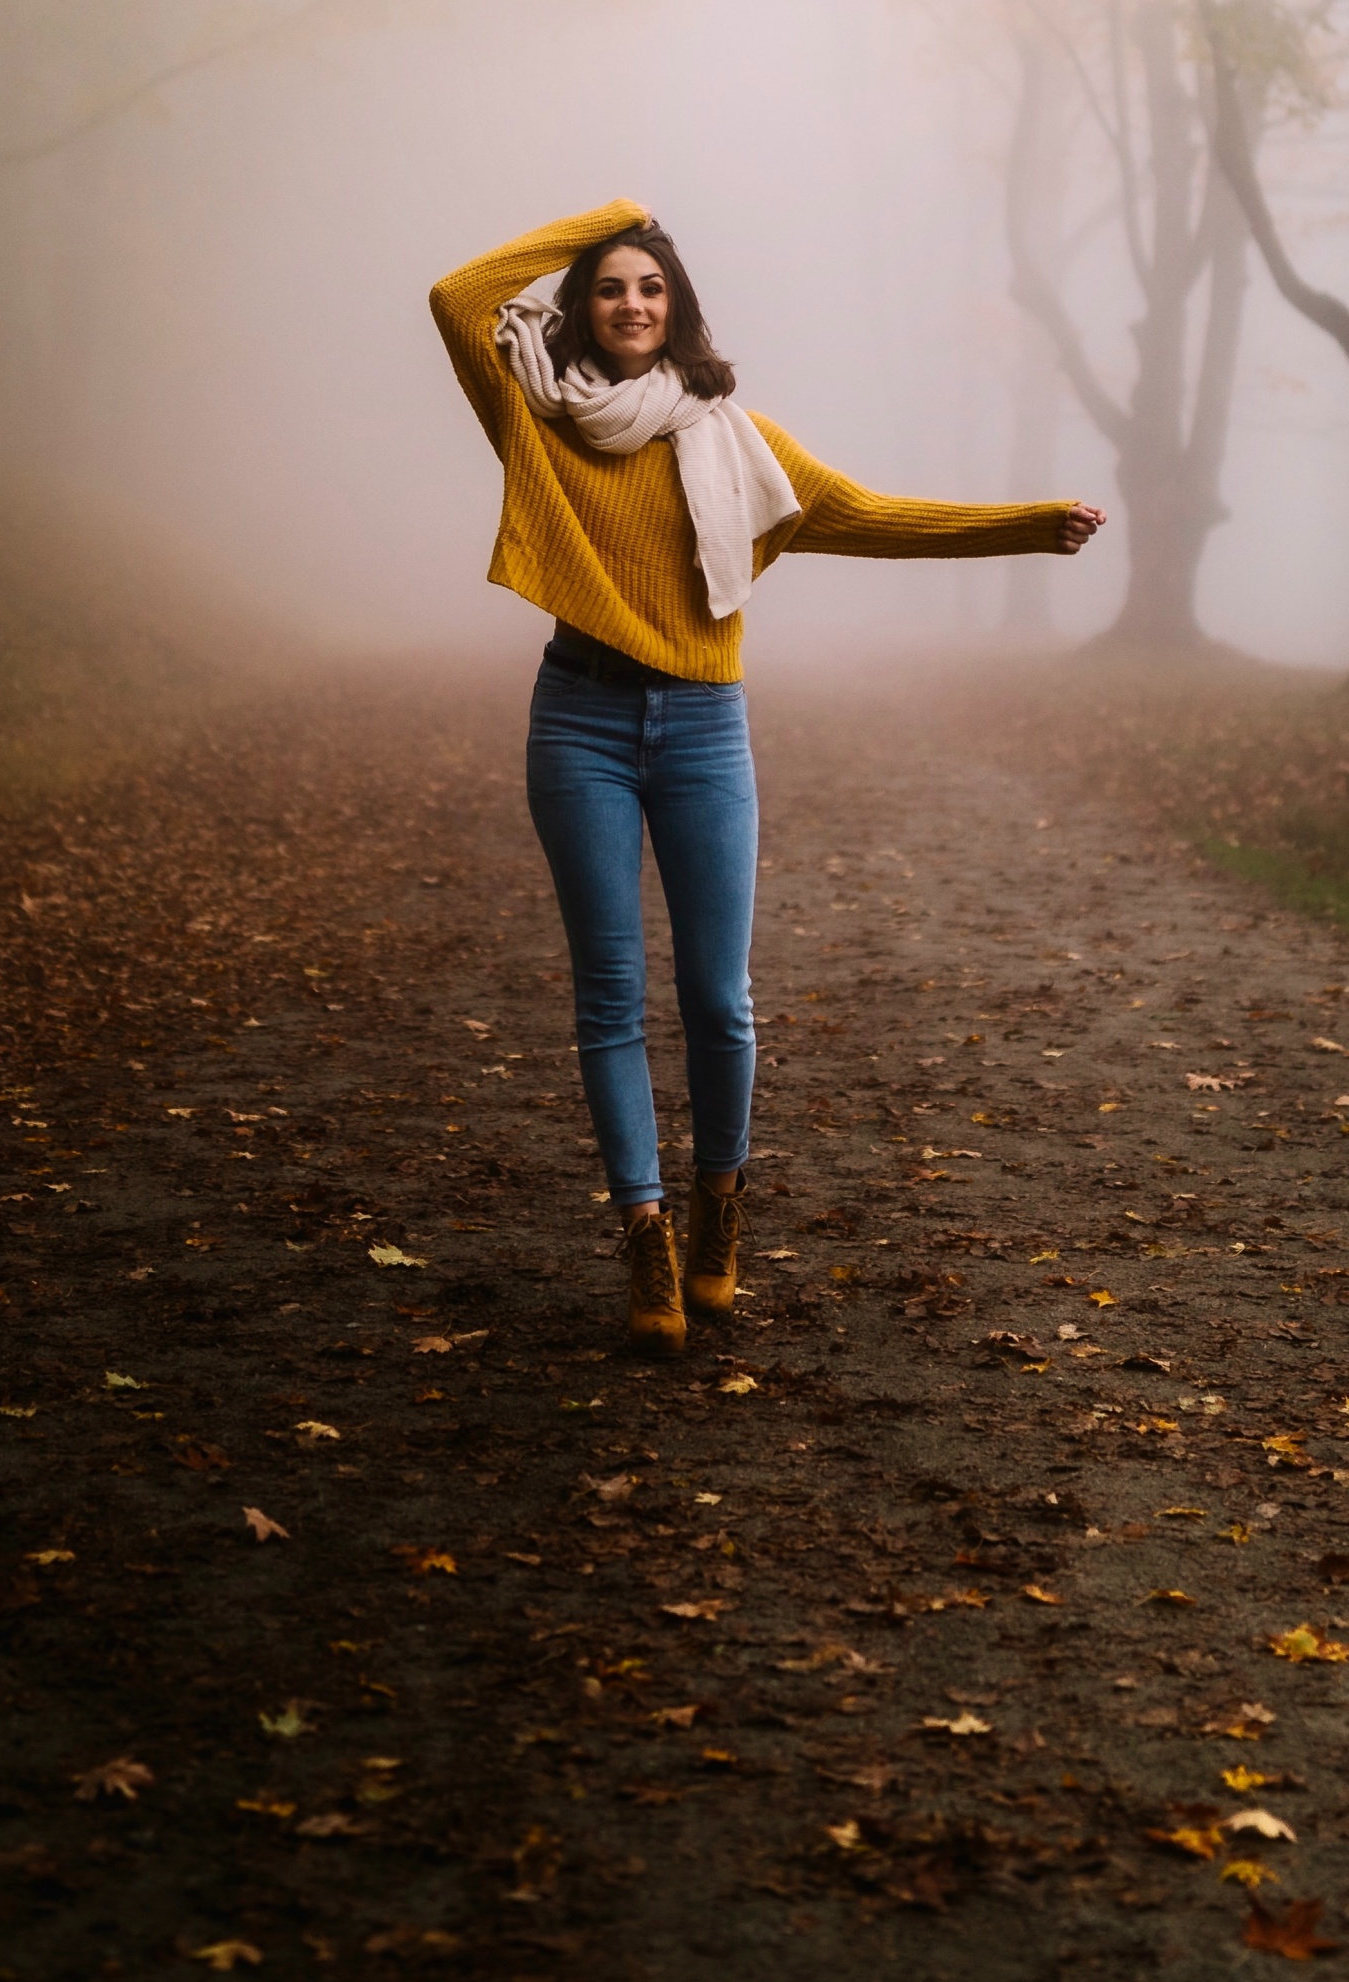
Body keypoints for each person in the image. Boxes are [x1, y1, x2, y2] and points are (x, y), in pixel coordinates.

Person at [430, 199, 1105, 1358]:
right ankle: (641, 1228)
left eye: (651, 285)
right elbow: (458, 294)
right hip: (578, 717)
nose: (631, 302)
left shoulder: (733, 438)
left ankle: (717, 1203)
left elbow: (869, 513)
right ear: (580, 307)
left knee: (719, 995)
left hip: (701, 724)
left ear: (679, 308)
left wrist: (1029, 524)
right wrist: (617, 214)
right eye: (608, 286)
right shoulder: (535, 412)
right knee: (609, 992)